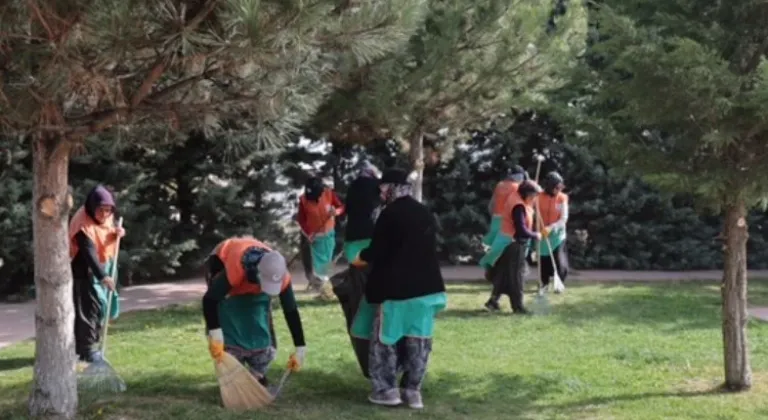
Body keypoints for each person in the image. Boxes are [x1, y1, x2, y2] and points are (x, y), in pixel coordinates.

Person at [349, 168, 447, 409]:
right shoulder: (424, 212)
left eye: (383, 188)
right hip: (428, 291)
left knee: (385, 342)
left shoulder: (389, 214)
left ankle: (386, 391)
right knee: (419, 342)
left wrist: (362, 256)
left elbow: (379, 250)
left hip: (397, 291)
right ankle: (413, 392)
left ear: (392, 187)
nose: (381, 193)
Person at [202, 236, 306, 385]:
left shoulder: (281, 275)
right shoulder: (235, 268)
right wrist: (216, 335)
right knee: (229, 315)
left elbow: (291, 310)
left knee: (259, 321)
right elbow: (210, 300)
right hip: (222, 266)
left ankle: (257, 372)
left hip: (253, 281)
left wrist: (300, 348)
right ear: (256, 272)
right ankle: (232, 369)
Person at [69, 185, 126, 363]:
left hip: (103, 264)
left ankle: (93, 343)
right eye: (101, 211)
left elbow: (107, 232)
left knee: (101, 306)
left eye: (108, 211)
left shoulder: (106, 215)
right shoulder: (82, 225)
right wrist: (102, 276)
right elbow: (88, 253)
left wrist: (118, 232)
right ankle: (86, 350)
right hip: (84, 269)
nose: (104, 215)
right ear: (92, 207)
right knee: (88, 309)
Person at [483, 180, 545, 314]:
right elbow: (521, 230)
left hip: (506, 241)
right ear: (527, 194)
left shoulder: (517, 197)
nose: (535, 198)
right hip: (514, 243)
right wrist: (536, 235)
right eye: (533, 195)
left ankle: (493, 301)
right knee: (517, 276)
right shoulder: (518, 207)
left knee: (503, 274)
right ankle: (518, 307)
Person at [297, 176, 344, 299]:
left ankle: (324, 287)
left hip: (329, 234)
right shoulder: (303, 200)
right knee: (319, 264)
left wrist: (336, 212)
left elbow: (341, 207)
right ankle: (322, 287)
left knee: (327, 261)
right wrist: (308, 234)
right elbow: (301, 220)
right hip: (315, 237)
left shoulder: (329, 194)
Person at [537, 171, 569, 293]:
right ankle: (544, 284)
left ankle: (559, 283)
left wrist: (552, 227)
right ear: (550, 187)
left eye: (560, 187)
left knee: (560, 262)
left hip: (557, 235)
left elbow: (563, 219)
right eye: (556, 187)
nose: (559, 189)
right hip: (542, 234)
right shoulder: (538, 197)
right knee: (544, 262)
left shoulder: (562, 198)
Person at [342, 161, 382, 262]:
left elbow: (347, 209)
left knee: (356, 266)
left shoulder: (352, 186)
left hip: (352, 234)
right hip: (370, 232)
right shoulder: (377, 186)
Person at [482, 165, 528, 248]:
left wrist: (494, 219)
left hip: (495, 219)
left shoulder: (500, 185)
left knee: (492, 247)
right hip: (507, 222)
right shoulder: (517, 188)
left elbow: (491, 206)